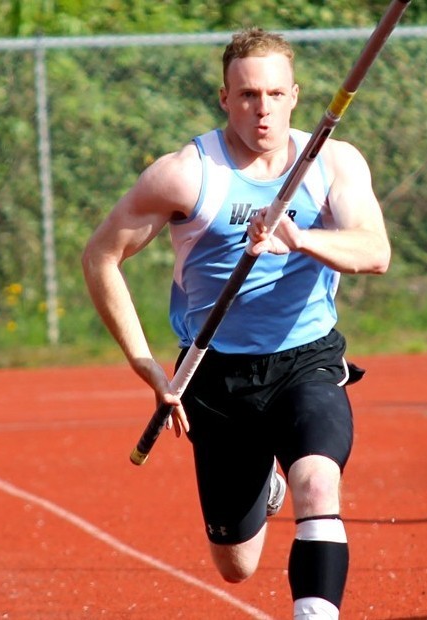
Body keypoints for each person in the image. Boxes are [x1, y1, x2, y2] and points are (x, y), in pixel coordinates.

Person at [82, 27, 390, 620]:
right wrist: (143, 363)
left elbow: (375, 252)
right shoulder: (186, 175)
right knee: (236, 565)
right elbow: (100, 256)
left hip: (308, 359)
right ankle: (262, 491)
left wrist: (299, 238)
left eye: (275, 94)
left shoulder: (332, 161)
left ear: (295, 95)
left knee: (319, 487)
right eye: (248, 95)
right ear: (225, 97)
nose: (263, 110)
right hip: (217, 376)